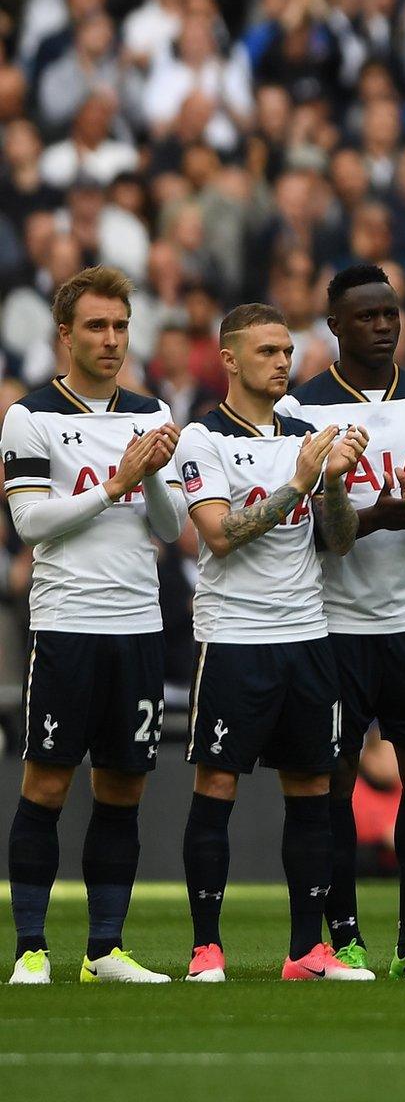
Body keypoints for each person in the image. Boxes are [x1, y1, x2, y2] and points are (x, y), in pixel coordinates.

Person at [275, 264, 405, 979]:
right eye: (366, 316)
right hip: (329, 624)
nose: (384, 325)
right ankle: (347, 937)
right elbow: (299, 527)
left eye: (390, 313)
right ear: (335, 326)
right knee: (332, 781)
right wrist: (374, 517)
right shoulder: (300, 412)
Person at [174, 303, 370, 982]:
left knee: (314, 785)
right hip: (234, 638)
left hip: (307, 635)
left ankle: (304, 952)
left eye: (287, 350)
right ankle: (206, 948)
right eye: (266, 351)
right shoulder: (204, 440)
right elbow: (220, 534)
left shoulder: (308, 434)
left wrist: (336, 481)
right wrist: (298, 481)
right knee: (218, 782)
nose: (282, 362)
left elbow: (339, 541)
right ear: (229, 360)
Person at [5, 267, 182, 984]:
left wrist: (151, 475)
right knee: (46, 786)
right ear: (66, 335)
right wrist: (114, 484)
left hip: (138, 626)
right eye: (97, 327)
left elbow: (169, 530)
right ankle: (30, 950)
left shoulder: (148, 412)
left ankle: (104, 949)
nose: (111, 340)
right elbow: (28, 523)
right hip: (67, 623)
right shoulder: (32, 415)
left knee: (123, 788)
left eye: (119, 327)